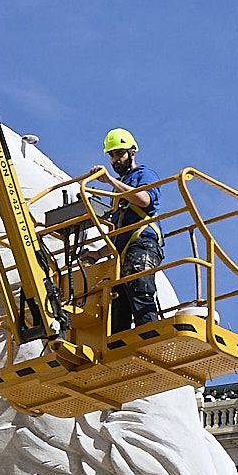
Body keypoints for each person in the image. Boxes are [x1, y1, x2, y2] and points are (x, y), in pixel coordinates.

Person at [95, 131, 164, 332]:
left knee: (140, 292)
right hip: (123, 252)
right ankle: (119, 348)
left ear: (132, 152)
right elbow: (119, 234)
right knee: (117, 306)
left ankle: (152, 339)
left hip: (143, 245)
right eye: (112, 155)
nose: (115, 160)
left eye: (119, 154)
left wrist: (109, 181)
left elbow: (145, 200)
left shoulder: (143, 174)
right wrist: (98, 254)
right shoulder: (119, 191)